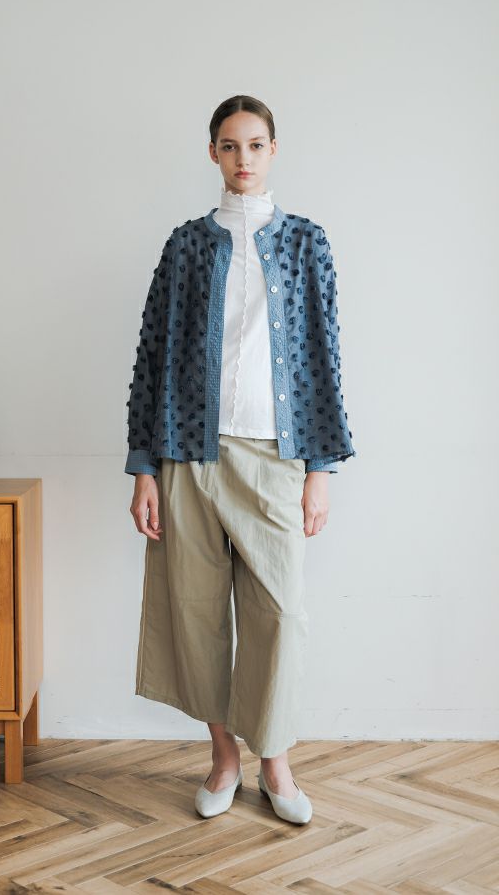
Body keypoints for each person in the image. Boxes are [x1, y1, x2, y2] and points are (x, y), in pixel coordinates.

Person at [124, 94, 356, 824]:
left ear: (273, 150)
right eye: (230, 145)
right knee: (194, 615)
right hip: (187, 456)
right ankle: (223, 756)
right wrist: (143, 468)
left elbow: (322, 356)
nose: (243, 158)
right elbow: (151, 355)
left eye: (255, 144)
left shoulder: (307, 242)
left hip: (275, 456)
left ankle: (275, 762)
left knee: (279, 614)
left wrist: (319, 470)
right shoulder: (186, 246)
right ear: (213, 153)